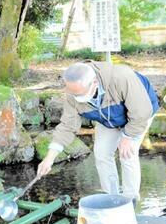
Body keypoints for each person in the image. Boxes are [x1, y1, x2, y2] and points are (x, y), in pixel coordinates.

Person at [37, 61, 159, 201]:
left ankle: (130, 200)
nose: (77, 98)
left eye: (80, 94)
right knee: (101, 153)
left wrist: (128, 137)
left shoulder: (121, 77)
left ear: (94, 82)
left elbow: (141, 113)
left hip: (139, 115)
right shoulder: (72, 94)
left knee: (127, 154)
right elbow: (67, 127)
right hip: (107, 117)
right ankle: (112, 198)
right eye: (73, 93)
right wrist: (49, 158)